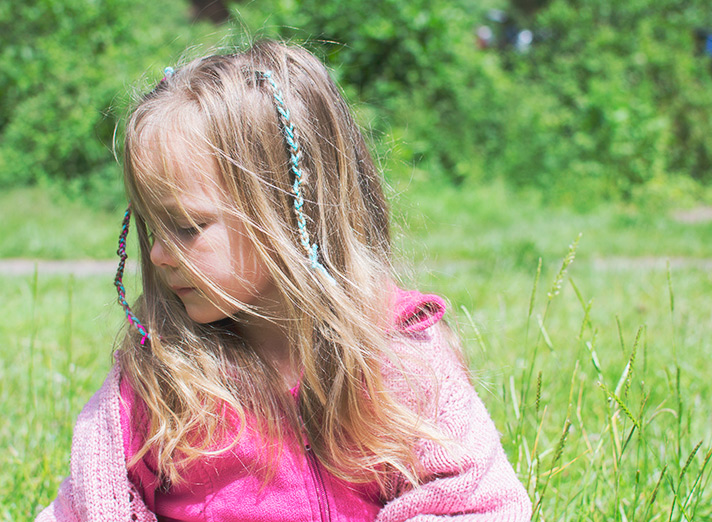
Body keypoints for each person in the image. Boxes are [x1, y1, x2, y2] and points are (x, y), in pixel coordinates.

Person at [36, 40, 531, 521]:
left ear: (295, 215)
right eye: (151, 228)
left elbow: (476, 504)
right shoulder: (160, 376)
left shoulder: (401, 362)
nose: (160, 254)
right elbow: (90, 505)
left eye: (187, 226)